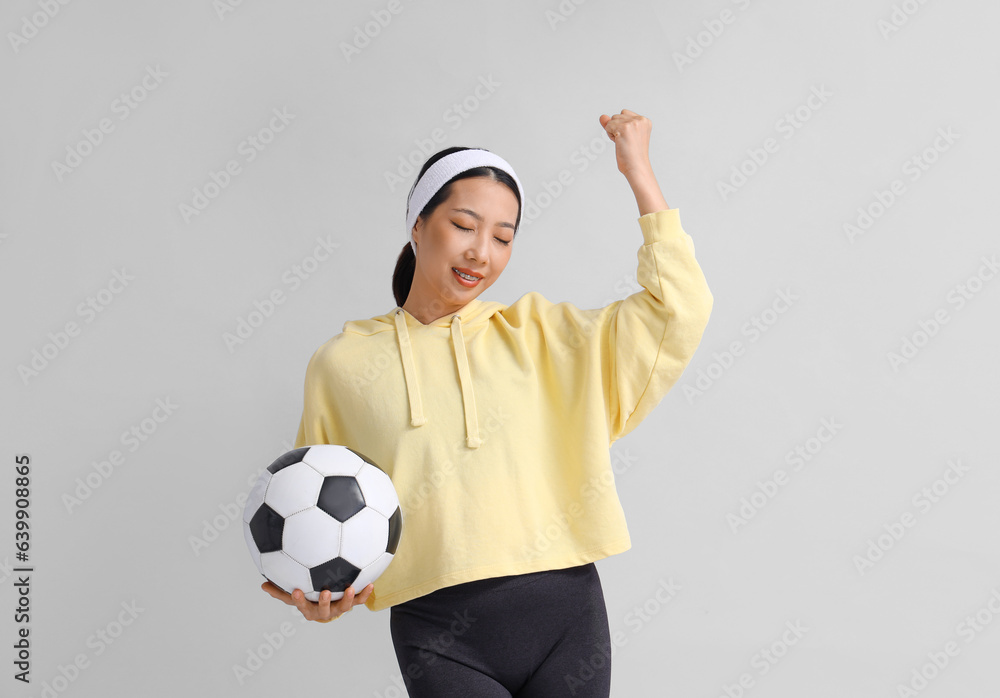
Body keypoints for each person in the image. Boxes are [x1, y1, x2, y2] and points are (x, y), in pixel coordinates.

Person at [262, 108, 714, 696]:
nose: (482, 251)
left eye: (503, 237)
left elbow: (681, 307)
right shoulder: (342, 364)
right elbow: (319, 506)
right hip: (438, 633)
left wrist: (639, 173)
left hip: (567, 617)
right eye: (464, 225)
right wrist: (322, 589)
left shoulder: (544, 339)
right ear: (418, 225)